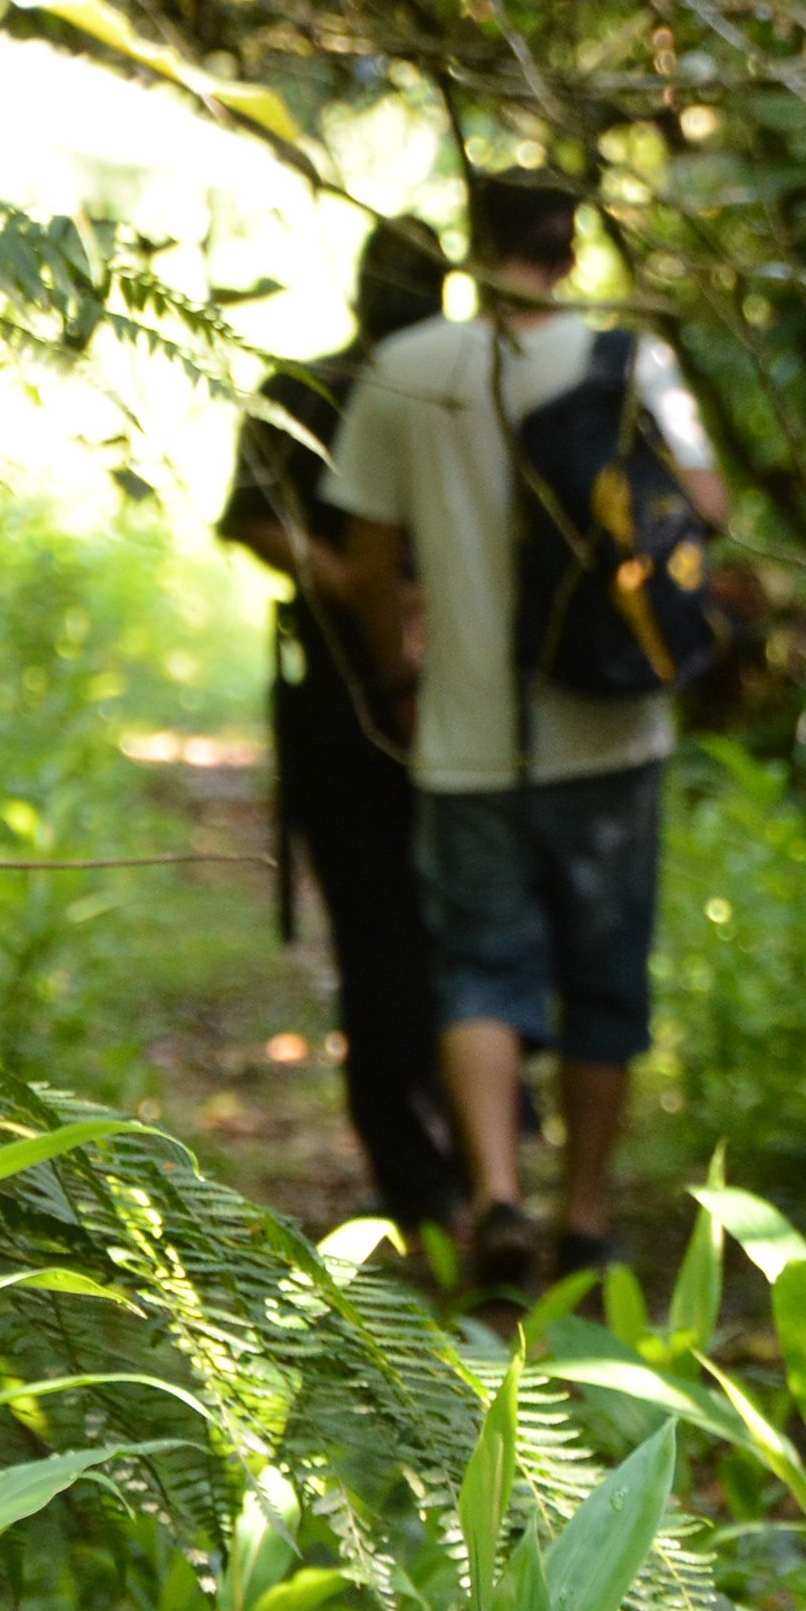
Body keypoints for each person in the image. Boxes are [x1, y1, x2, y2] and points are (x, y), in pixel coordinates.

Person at [325, 171, 731, 1298]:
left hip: (463, 737)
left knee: (478, 971)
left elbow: (363, 561)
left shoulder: (409, 370)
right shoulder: (628, 361)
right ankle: (588, 1218)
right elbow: (707, 503)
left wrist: (395, 670)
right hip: (611, 729)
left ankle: (498, 1194)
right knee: (605, 975)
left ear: (477, 243)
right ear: (570, 247)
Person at [218, 222, 464, 1235]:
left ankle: (458, 1153)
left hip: (446, 696)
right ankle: (420, 1173)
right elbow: (250, 513)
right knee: (380, 934)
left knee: (434, 929)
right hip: (342, 693)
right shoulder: (311, 389)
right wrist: (354, 585)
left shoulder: (454, 393)